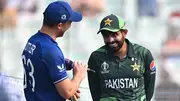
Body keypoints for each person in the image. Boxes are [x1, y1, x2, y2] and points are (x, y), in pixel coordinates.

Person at [22, 1, 87, 101]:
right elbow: (67, 92)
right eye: (69, 22)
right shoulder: (51, 50)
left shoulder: (32, 40)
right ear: (60, 25)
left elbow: (41, 65)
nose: (70, 25)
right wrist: (78, 76)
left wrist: (63, 63)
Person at [87, 14, 156, 101]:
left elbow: (149, 89)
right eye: (106, 36)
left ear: (125, 33)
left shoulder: (143, 54)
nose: (110, 40)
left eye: (114, 35)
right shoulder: (96, 57)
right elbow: (95, 92)